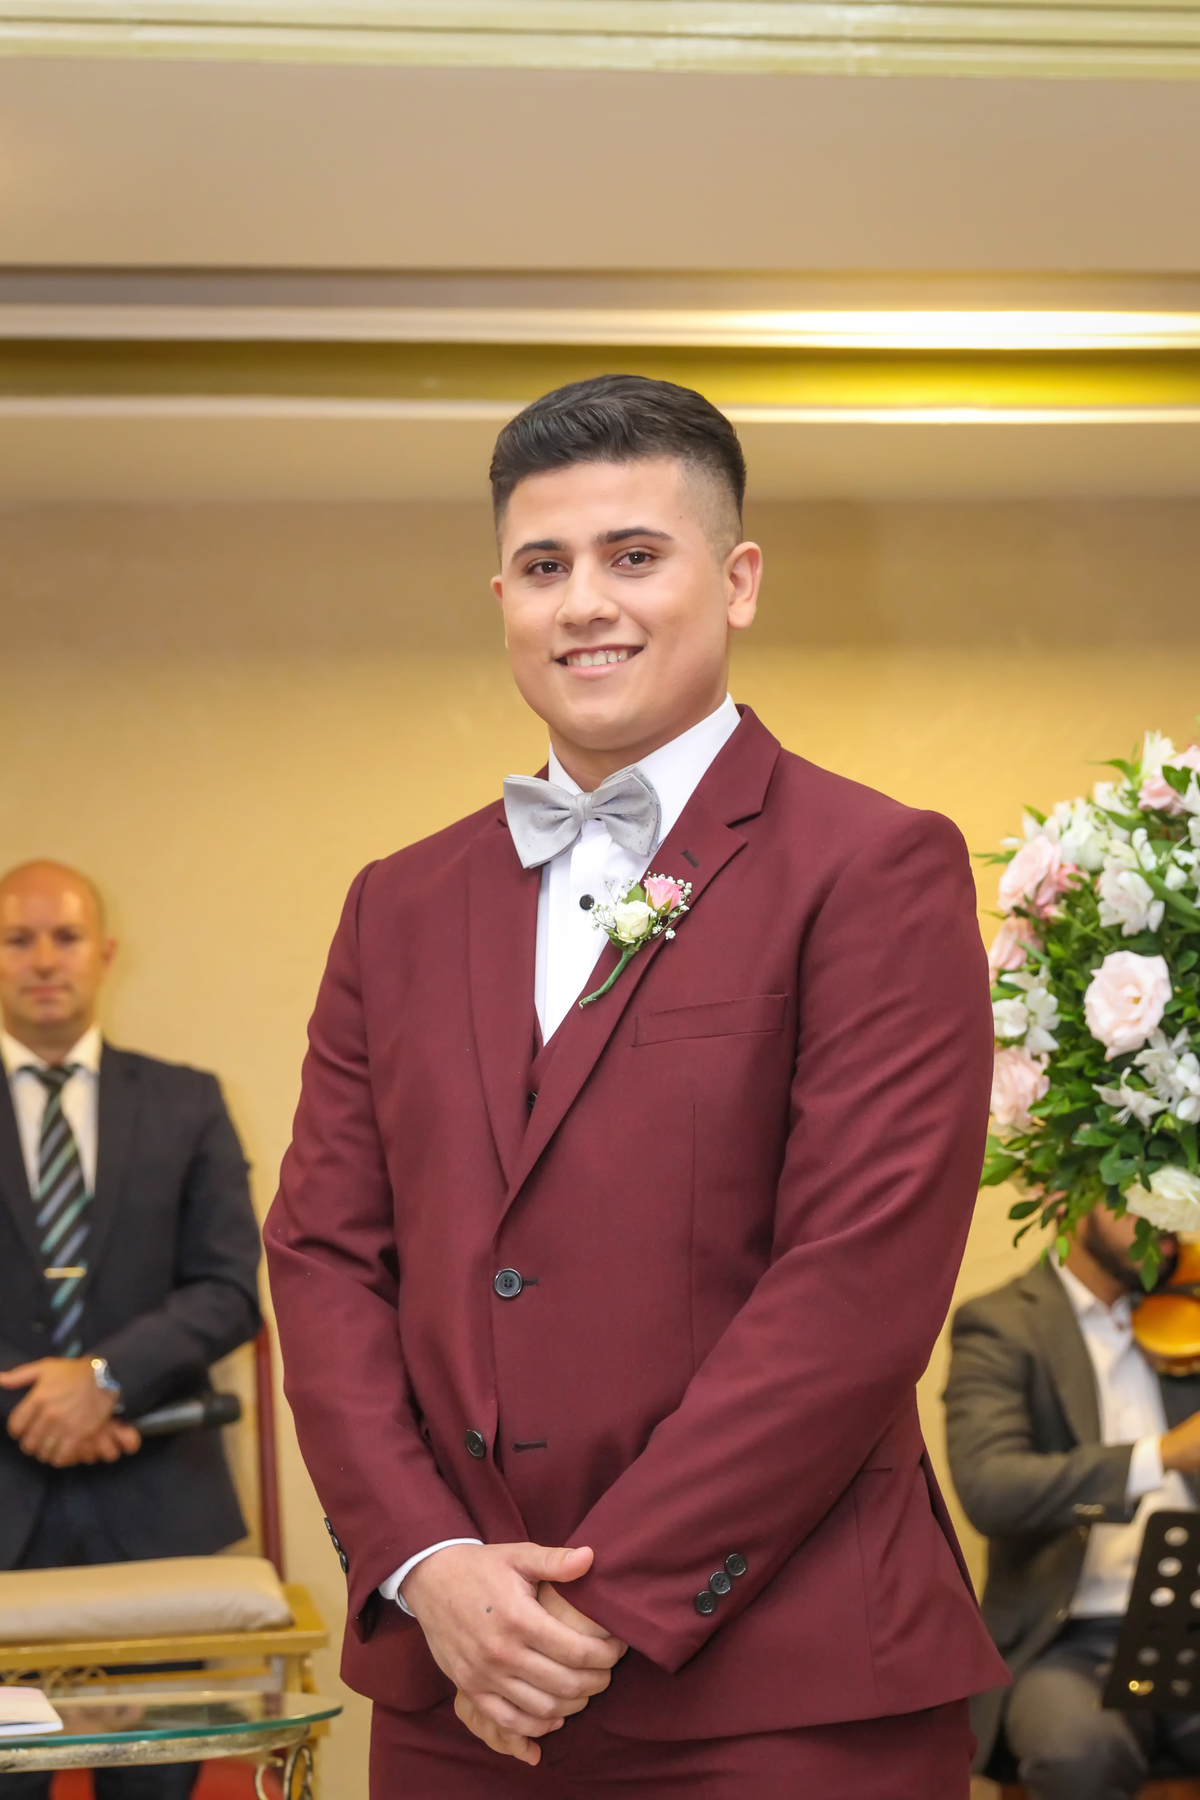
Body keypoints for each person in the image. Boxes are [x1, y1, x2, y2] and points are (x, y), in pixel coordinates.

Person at [265, 373, 1007, 1799]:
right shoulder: (396, 904)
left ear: (737, 581)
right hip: (461, 1695)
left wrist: (595, 1610)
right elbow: (323, 1259)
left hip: (781, 1697)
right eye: (545, 567)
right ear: (501, 598)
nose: (585, 604)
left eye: (634, 555)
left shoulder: (875, 865)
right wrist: (429, 1566)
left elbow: (856, 1283)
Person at [0, 860, 262, 1800]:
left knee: (152, 1785)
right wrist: (40, 1403)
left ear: (104, 954)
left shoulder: (189, 1103)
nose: (44, 960)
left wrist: (103, 1381)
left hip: (159, 1504)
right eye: (17, 939)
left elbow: (229, 1291)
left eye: (65, 937)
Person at [945, 1204, 1200, 1798]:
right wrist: (1158, 1456)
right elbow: (989, 1486)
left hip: (1190, 1626)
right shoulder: (1002, 1323)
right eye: (1139, 1199)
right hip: (1067, 1640)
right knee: (1076, 1752)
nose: (1166, 1221)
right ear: (1068, 1198)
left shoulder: (1187, 1310)